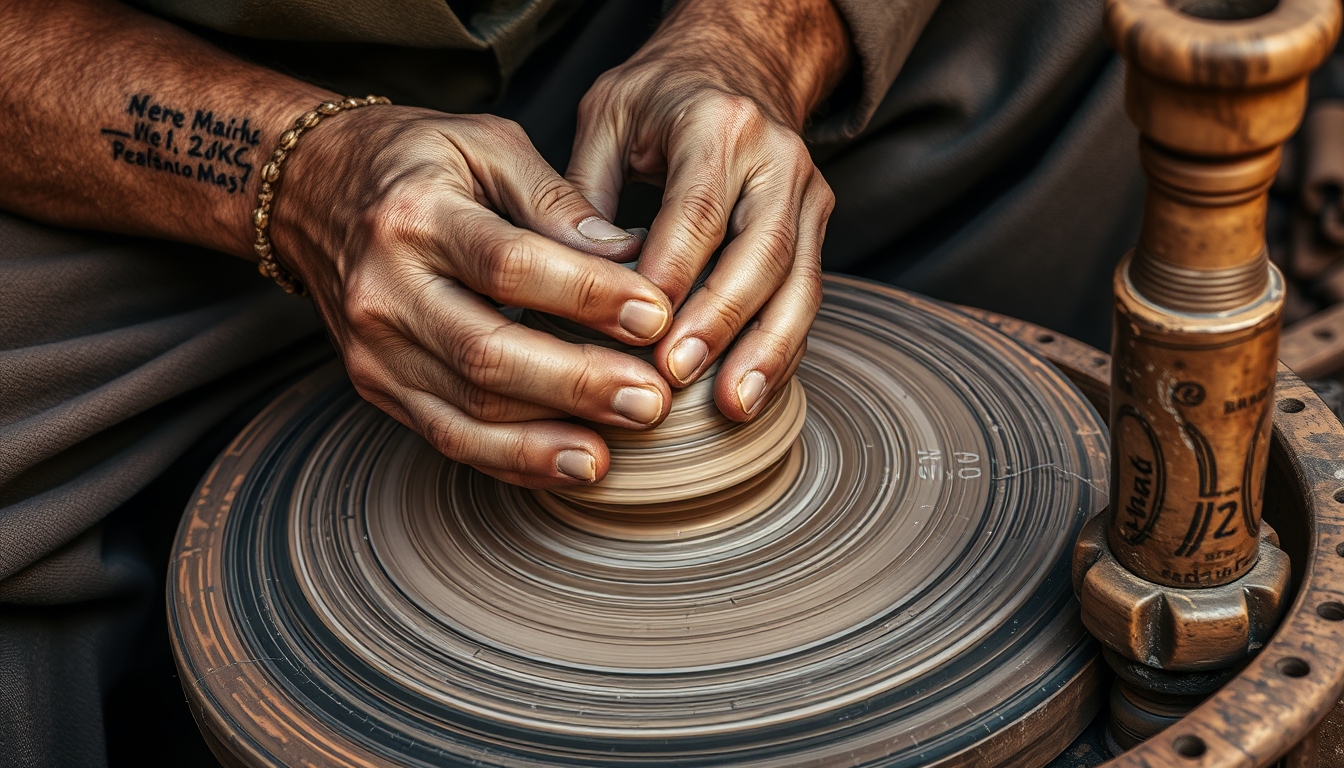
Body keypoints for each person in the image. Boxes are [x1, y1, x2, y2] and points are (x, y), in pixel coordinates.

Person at [0, 0, 1140, 764]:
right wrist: (295, 172)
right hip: (145, 110)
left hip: (632, 36)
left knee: (1091, 44)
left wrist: (757, 38)